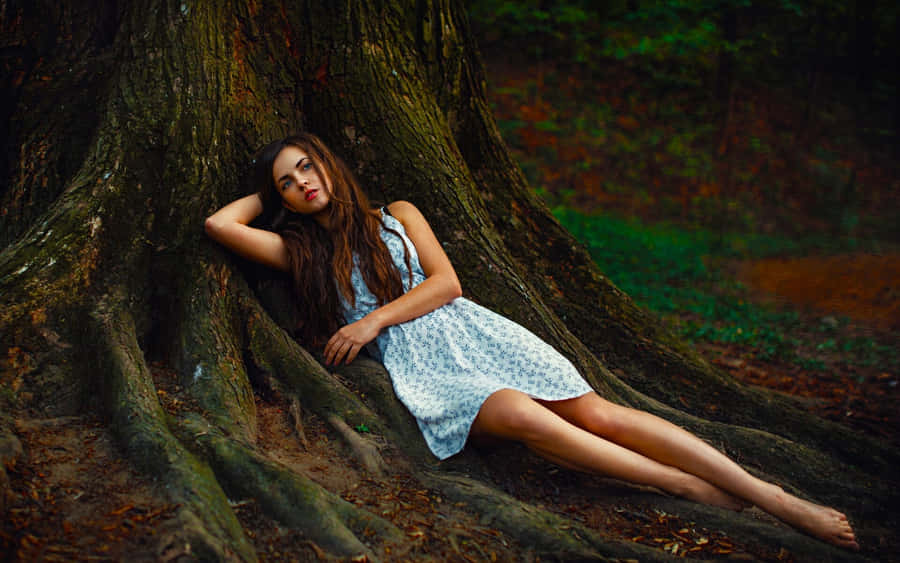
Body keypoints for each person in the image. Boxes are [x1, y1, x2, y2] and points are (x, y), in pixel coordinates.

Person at [205, 132, 858, 550]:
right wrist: (264, 195)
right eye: (286, 182)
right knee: (519, 414)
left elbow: (448, 283)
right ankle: (680, 485)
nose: (301, 183)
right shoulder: (299, 250)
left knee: (600, 412)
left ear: (328, 162)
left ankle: (775, 497)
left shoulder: (396, 214)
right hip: (424, 370)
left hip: (477, 333)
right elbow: (220, 223)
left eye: (305, 167)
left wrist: (372, 319)